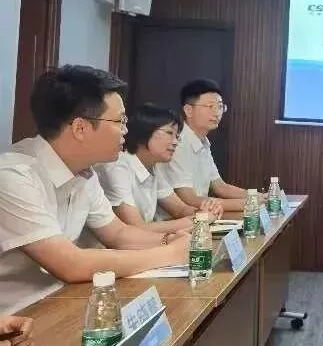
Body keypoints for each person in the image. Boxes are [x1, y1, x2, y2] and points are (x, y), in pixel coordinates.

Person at [0, 66, 190, 314]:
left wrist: (169, 240)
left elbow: (118, 234)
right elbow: (70, 264)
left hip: (62, 300)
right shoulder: (14, 175)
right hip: (17, 316)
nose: (126, 130)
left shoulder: (84, 170)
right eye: (120, 121)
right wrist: (169, 253)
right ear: (80, 128)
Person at [96, 103, 223, 233]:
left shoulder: (153, 166)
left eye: (177, 136)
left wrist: (206, 211)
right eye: (169, 133)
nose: (175, 142)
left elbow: (180, 210)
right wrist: (198, 219)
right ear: (144, 131)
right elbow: (137, 227)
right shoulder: (117, 167)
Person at [159, 80, 247, 212]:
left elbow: (220, 187)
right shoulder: (178, 143)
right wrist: (249, 203)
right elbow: (189, 199)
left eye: (220, 107)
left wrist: (256, 196)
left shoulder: (202, 141)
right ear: (189, 110)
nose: (217, 113)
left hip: (201, 213)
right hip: (179, 217)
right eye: (210, 106)